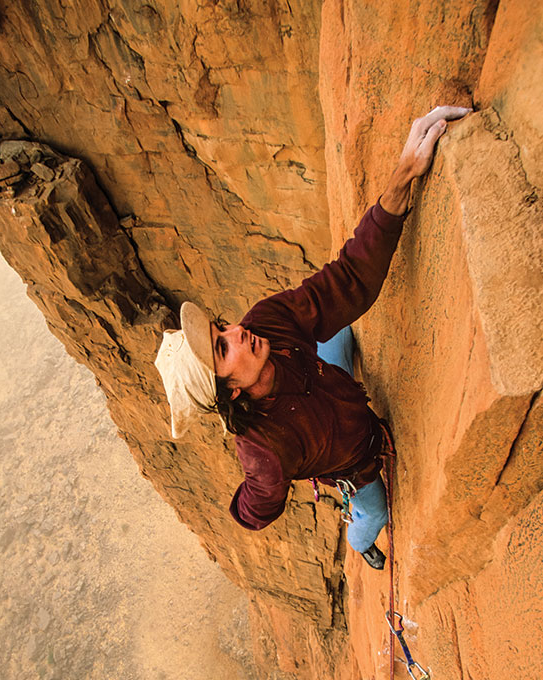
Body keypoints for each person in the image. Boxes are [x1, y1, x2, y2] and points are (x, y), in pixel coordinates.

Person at [155, 106, 471, 569]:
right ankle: (362, 544)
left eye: (222, 327)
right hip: (356, 461)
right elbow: (252, 513)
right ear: (231, 390)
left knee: (334, 324)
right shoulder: (264, 453)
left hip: (330, 384)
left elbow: (346, 280)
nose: (238, 330)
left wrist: (402, 177)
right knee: (375, 512)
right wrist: (257, 484)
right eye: (224, 346)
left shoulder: (267, 325)